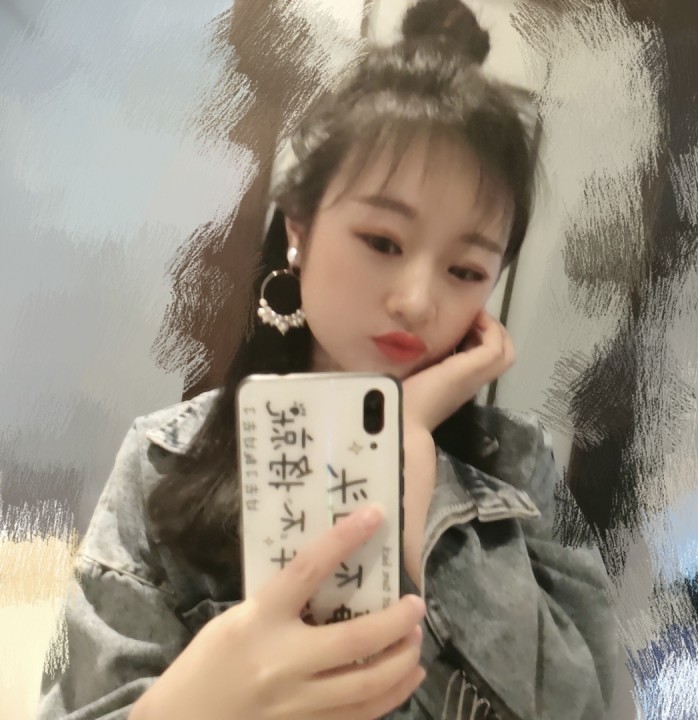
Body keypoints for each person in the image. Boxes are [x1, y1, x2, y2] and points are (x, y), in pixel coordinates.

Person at [38, 1, 617, 718]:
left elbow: (589, 706)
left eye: (466, 270)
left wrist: (420, 486)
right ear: (299, 231)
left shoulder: (521, 466)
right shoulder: (163, 462)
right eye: (382, 241)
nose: (417, 301)